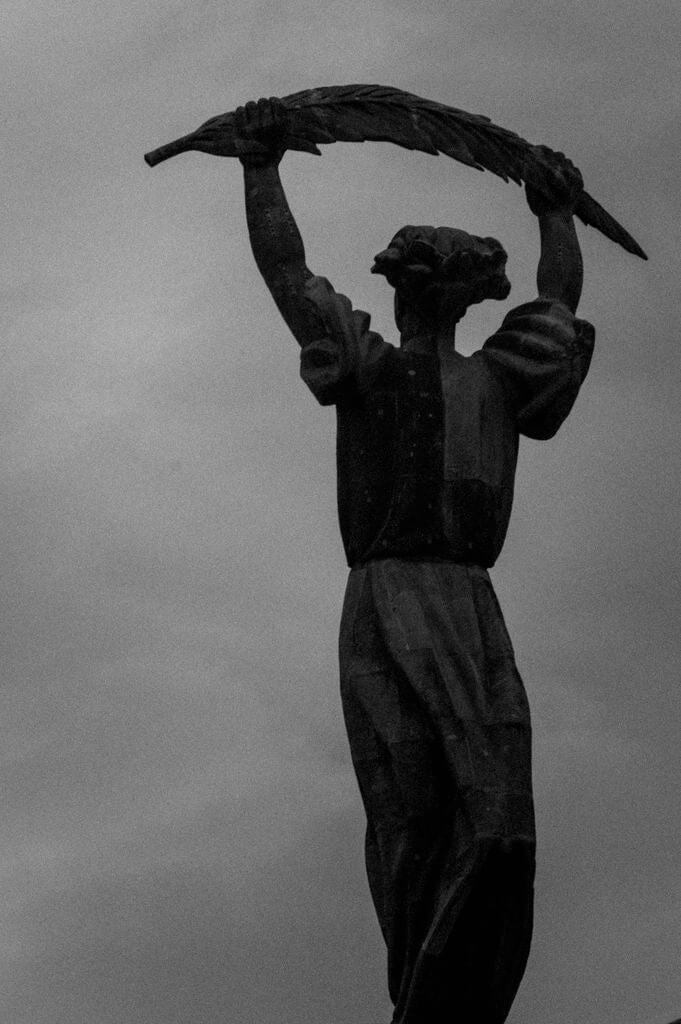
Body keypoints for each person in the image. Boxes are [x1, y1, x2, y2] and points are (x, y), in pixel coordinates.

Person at [234, 97, 595, 1024]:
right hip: (389, 593)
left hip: (470, 606)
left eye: (441, 279)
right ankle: (421, 1000)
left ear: (461, 292)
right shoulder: (366, 364)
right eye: (418, 277)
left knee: (500, 827)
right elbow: (289, 274)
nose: (423, 293)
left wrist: (554, 213)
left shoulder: (498, 377)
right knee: (413, 816)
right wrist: (261, 167)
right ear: (404, 287)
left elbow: (557, 304)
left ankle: (459, 998)